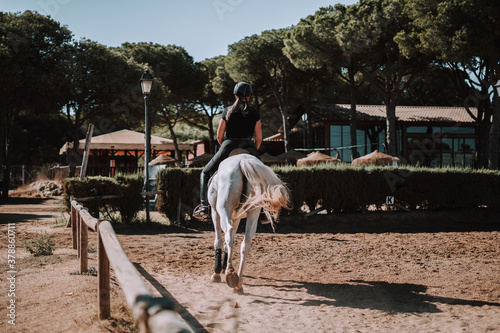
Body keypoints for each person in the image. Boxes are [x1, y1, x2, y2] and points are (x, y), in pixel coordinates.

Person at [193, 82, 262, 220]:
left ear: (235, 95)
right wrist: (253, 151)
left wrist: (225, 147)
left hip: (229, 145)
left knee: (205, 172)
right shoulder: (254, 112)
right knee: (264, 176)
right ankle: (264, 210)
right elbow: (259, 137)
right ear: (249, 96)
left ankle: (204, 207)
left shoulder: (227, 111)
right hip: (248, 146)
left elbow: (219, 136)